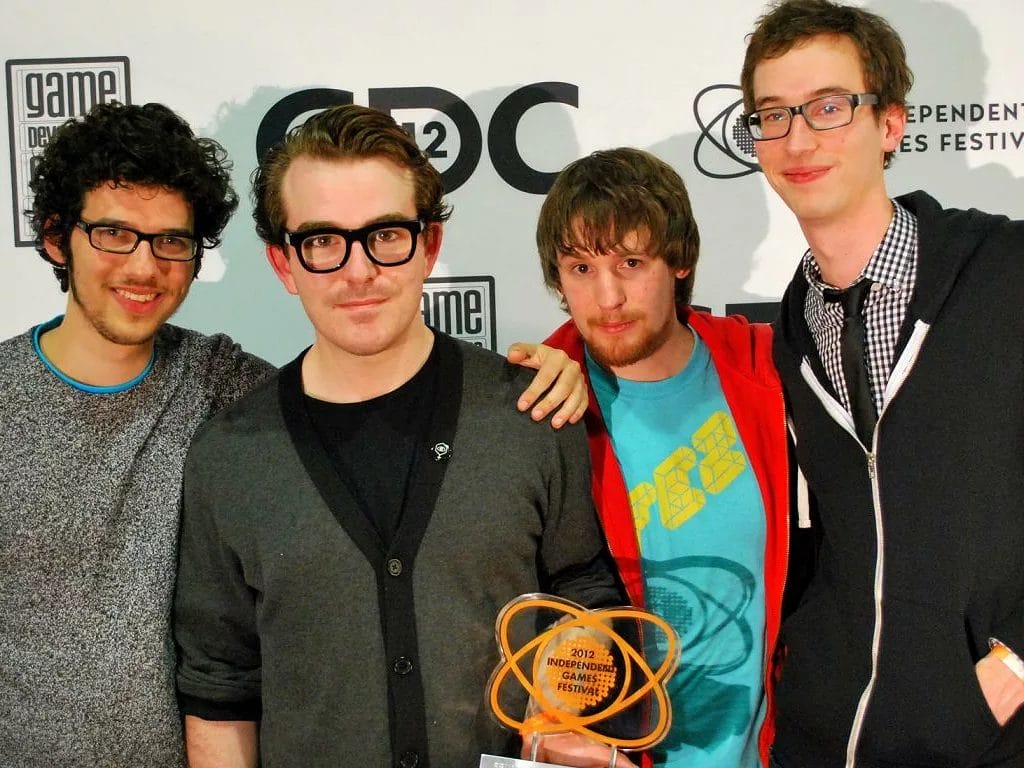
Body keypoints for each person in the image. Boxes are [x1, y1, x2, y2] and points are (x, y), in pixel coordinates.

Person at [0, 101, 583, 768]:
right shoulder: (221, 429)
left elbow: (351, 387)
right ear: (54, 238)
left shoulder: (220, 382)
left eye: (171, 242)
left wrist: (566, 367)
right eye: (113, 234)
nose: (143, 266)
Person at [172, 103, 625, 768]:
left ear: (430, 245)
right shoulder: (230, 456)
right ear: (282, 264)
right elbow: (220, 688)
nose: (359, 272)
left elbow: (584, 594)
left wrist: (565, 700)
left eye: (385, 234)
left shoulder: (528, 411)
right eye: (323, 241)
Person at [739, 1, 1024, 766]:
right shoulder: (793, 324)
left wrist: (1014, 666)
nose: (798, 138)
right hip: (829, 734)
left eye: (829, 107)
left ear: (890, 125)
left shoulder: (1003, 272)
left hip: (989, 736)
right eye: (773, 114)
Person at [534, 147, 790, 768]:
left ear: (680, 261)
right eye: (580, 268)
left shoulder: (767, 367)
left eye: (630, 261)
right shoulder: (537, 405)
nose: (609, 295)